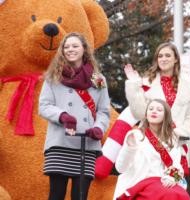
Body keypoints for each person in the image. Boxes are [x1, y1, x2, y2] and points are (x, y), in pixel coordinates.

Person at [95, 42, 190, 179]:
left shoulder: (189, 87)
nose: (163, 59)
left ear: (176, 59)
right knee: (143, 185)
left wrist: (178, 134)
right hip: (148, 143)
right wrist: (134, 86)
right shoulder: (146, 84)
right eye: (160, 56)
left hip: (174, 144)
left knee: (172, 188)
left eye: (168, 55)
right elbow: (138, 113)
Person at [39, 32, 110, 200]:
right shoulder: (52, 77)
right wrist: (62, 116)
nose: (70, 49)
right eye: (66, 46)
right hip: (60, 142)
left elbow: (103, 111)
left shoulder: (98, 79)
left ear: (84, 49)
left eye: (75, 46)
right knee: (56, 195)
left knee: (80, 196)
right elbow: (44, 106)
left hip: (86, 143)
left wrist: (98, 128)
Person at [114, 99, 190, 200]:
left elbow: (177, 166)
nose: (154, 111)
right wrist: (130, 148)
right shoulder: (135, 135)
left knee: (182, 196)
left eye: (159, 110)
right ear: (146, 114)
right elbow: (120, 168)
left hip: (162, 183)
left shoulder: (171, 141)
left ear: (166, 116)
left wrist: (172, 178)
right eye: (150, 109)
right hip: (138, 184)